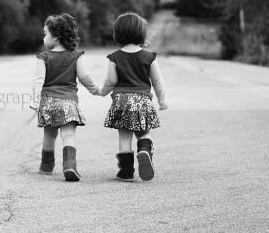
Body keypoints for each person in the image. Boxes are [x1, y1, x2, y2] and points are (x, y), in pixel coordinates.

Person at [98, 12, 168, 182]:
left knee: (124, 137)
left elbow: (111, 80)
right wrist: (162, 99)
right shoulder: (149, 57)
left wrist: (102, 91)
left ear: (118, 34)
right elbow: (158, 81)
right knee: (144, 133)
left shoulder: (114, 57)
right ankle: (144, 150)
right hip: (142, 101)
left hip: (122, 103)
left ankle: (126, 171)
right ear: (142, 33)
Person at [31, 13, 99, 181]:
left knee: (49, 135)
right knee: (68, 135)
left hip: (49, 103)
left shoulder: (44, 57)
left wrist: (34, 101)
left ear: (56, 38)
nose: (43, 37)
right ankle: (69, 165)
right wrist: (95, 89)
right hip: (68, 103)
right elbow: (84, 77)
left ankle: (46, 166)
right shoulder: (76, 55)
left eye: (45, 34)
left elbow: (38, 80)